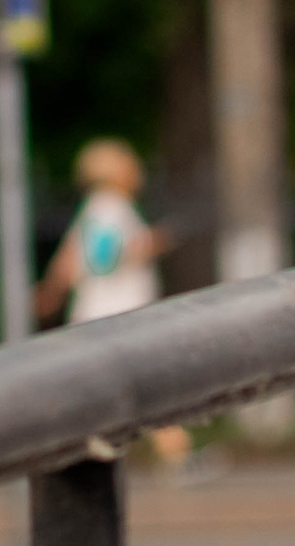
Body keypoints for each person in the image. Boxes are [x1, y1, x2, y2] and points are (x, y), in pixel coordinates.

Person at [35, 138, 190, 464]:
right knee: (149, 385)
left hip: (94, 311)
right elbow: (103, 256)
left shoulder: (92, 208)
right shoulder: (112, 207)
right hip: (120, 312)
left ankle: (164, 454)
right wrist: (151, 243)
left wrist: (52, 291)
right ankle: (176, 458)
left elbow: (69, 260)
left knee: (121, 387)